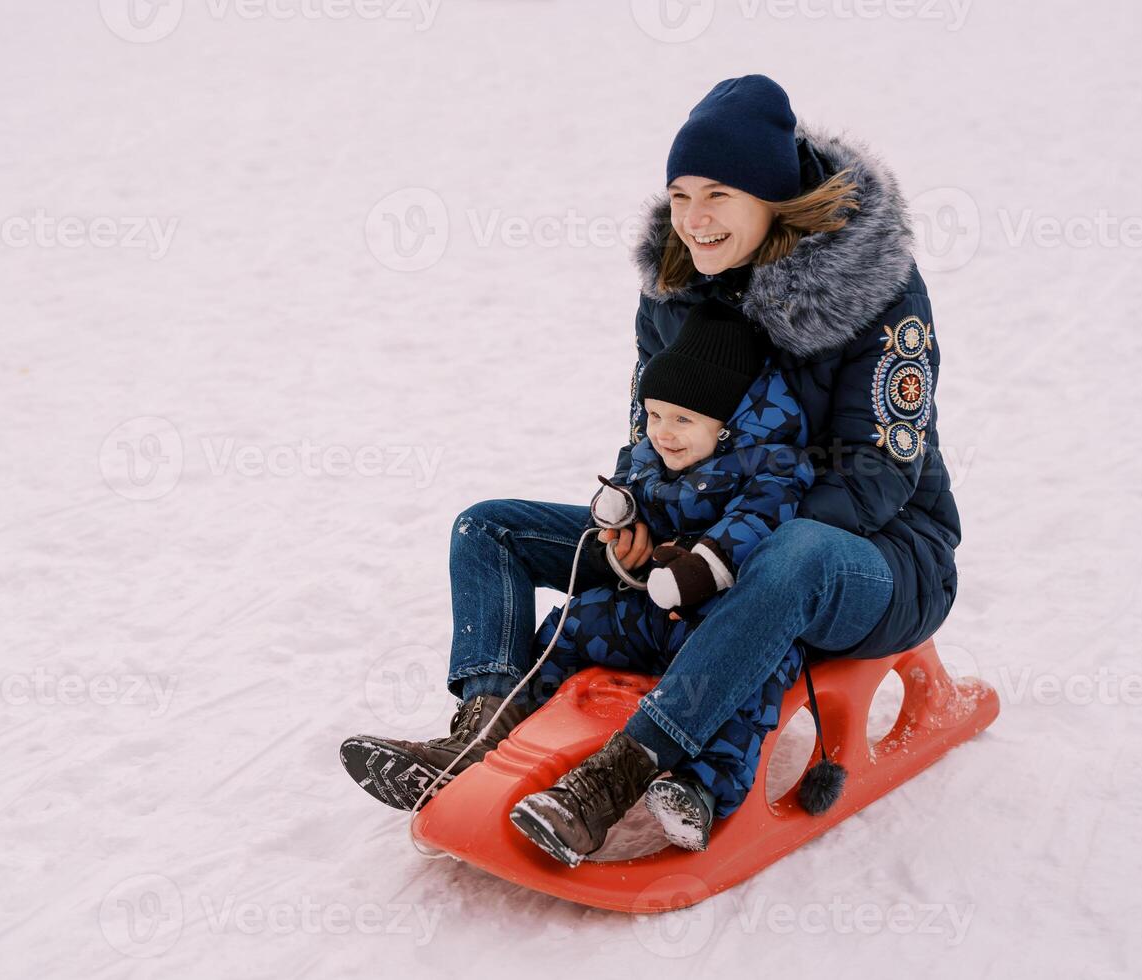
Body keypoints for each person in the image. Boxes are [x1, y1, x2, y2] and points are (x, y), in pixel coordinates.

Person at [339, 74, 961, 868]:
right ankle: (480, 730)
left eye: (718, 196)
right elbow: (651, 429)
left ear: (774, 199)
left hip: (877, 555)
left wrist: (727, 553)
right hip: (694, 539)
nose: (694, 221)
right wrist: (639, 516)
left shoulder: (879, 292)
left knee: (792, 552)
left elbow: (880, 470)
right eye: (679, 195)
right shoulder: (673, 286)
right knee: (489, 527)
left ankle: (621, 772)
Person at [502, 297, 813, 863]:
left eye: (683, 420)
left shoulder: (770, 464)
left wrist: (699, 567)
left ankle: (700, 790)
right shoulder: (653, 452)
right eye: (654, 415)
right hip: (650, 610)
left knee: (754, 678)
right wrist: (619, 512)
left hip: (725, 624)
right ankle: (512, 714)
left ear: (726, 424)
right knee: (573, 621)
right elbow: (632, 489)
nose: (664, 433)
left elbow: (759, 523)